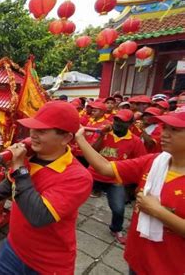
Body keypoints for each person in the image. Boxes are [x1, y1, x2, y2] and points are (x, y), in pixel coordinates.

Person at [0, 101, 93, 274]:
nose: (33, 135)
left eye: (42, 131)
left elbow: (38, 216)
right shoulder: (31, 157)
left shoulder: (78, 177)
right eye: (32, 128)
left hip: (47, 265)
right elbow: (7, 185)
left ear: (66, 138)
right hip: (12, 249)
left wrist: (20, 168)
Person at [75, 109, 185, 274]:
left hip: (169, 266)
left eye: (174, 130)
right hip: (138, 256)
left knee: (118, 208)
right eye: (165, 127)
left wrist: (158, 211)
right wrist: (79, 138)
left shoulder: (137, 144)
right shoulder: (153, 161)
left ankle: (116, 228)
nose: (164, 134)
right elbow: (105, 167)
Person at [88, 109, 147, 244]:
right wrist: (102, 135)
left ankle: (116, 229)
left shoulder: (135, 141)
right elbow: (92, 151)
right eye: (116, 120)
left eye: (122, 122)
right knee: (72, 197)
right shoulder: (105, 132)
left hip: (115, 179)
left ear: (131, 124)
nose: (117, 124)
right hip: (93, 174)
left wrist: (133, 185)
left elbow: (141, 163)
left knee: (119, 209)